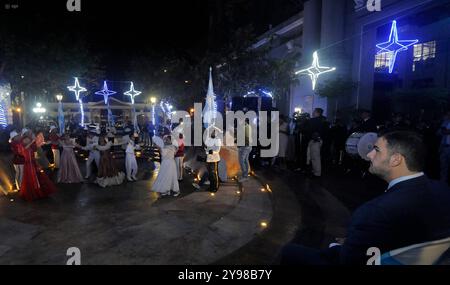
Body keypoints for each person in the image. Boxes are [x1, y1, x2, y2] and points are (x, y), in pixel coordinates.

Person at [281, 131, 450, 265]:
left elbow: (349, 261)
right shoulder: (443, 191)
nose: (369, 154)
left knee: (289, 251)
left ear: (396, 159)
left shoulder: (374, 212)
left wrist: (342, 246)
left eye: (376, 150)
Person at [18, 129, 56, 201]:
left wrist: (37, 162)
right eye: (26, 139)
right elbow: (25, 149)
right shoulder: (22, 144)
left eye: (28, 139)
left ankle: (38, 191)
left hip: (33, 163)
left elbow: (35, 152)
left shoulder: (31, 143)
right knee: (30, 178)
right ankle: (33, 192)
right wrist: (32, 141)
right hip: (28, 164)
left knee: (38, 177)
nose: (27, 140)